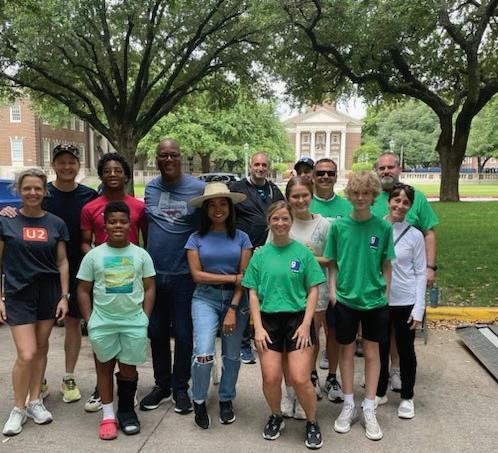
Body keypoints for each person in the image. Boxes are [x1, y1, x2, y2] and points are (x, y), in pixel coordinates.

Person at [0, 144, 98, 404]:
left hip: (75, 268)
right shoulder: (43, 193)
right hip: (38, 270)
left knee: (72, 323)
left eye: (72, 162)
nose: (67, 167)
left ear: (78, 165)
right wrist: (6, 211)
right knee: (33, 339)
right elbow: (21, 215)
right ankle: (38, 383)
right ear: (53, 165)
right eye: (61, 162)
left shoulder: (89, 196)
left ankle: (68, 376)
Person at [242, 201, 326, 450]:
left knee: (300, 378)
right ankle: (276, 415)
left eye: (285, 219)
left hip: (297, 319)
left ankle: (312, 421)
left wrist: (306, 324)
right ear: (269, 222)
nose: (280, 223)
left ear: (291, 221)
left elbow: (313, 290)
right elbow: (252, 292)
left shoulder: (303, 253)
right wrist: (258, 327)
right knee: (271, 377)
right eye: (275, 219)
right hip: (268, 321)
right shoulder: (260, 255)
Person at [323, 171, 394, 441]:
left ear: (374, 196)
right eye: (356, 193)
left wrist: (386, 294)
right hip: (345, 298)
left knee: (373, 352)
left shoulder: (383, 228)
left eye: (366, 193)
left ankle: (369, 405)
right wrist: (333, 292)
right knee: (347, 351)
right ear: (349, 195)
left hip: (374, 300)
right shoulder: (338, 227)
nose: (361, 197)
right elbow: (332, 263)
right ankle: (349, 403)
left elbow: (386, 264)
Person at [77, 201, 155, 440]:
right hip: (103, 322)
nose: (118, 226)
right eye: (112, 222)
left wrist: (144, 317)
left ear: (130, 224)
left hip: (133, 321)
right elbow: (83, 289)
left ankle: (127, 411)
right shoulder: (94, 255)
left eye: (122, 221)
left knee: (129, 368)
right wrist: (90, 320)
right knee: (104, 366)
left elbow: (150, 288)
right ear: (105, 225)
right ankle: (108, 416)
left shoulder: (141, 255)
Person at [0, 168, 69, 436]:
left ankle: (34, 401)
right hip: (18, 293)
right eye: (27, 188)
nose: (32, 193)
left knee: (40, 349)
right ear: (18, 190)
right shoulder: (6, 221)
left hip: (48, 293)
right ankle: (18, 409)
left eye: (37, 188)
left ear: (44, 191)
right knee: (26, 353)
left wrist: (64, 296)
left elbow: (62, 262)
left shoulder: (56, 223)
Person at [140, 138, 205, 414]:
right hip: (153, 274)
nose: (168, 159)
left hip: (183, 274)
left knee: (183, 333)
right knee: (155, 332)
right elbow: (146, 224)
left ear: (181, 157)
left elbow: (207, 226)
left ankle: (180, 387)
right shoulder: (151, 188)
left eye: (173, 155)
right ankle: (162, 385)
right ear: (156, 159)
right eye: (163, 155)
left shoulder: (197, 188)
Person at [80, 152, 147, 412]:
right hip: (103, 277)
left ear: (126, 175)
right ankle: (102, 391)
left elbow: (145, 239)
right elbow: (85, 242)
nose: (112, 174)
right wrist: (99, 262)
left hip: (130, 277)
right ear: (100, 175)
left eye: (118, 170)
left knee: (129, 349)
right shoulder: (90, 208)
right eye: (107, 170)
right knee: (104, 344)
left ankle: (129, 394)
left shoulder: (138, 207)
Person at [185, 182, 251, 429]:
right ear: (205, 210)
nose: (218, 209)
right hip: (205, 298)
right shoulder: (195, 239)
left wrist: (232, 309)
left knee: (232, 355)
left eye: (223, 203)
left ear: (230, 207)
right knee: (203, 353)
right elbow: (197, 275)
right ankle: (199, 399)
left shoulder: (242, 238)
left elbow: (245, 279)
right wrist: (232, 278)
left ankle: (226, 398)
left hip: (236, 300)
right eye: (212, 205)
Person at [371, 152, 437, 390]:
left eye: (391, 167)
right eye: (382, 168)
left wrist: (430, 267)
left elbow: (429, 233)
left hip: (405, 290)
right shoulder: (373, 201)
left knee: (403, 342)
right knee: (379, 342)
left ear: (399, 168)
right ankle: (378, 384)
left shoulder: (417, 202)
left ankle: (399, 375)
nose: (386, 171)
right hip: (378, 293)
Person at [270, 177, 331, 419]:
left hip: (315, 292)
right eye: (295, 196)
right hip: (285, 295)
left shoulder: (324, 225)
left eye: (305, 195)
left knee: (308, 341)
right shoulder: (282, 221)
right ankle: (289, 391)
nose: (300, 200)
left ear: (312, 195)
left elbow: (331, 259)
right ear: (288, 198)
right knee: (288, 346)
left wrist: (308, 258)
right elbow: (269, 253)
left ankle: (305, 381)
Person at [375, 184, 426, 419]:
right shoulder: (376, 229)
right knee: (379, 348)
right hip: (379, 300)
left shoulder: (415, 235)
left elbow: (420, 272)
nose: (400, 206)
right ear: (389, 202)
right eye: (397, 200)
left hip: (405, 300)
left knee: (406, 350)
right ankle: (379, 391)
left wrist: (419, 308)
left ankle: (407, 396)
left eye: (406, 202)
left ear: (410, 206)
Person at [230, 152, 285, 364]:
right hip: (245, 251)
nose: (260, 168)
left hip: (270, 251)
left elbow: (282, 214)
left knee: (264, 297)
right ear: (250, 166)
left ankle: (263, 339)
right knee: (245, 297)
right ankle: (244, 345)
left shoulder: (274, 190)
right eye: (256, 164)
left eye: (264, 165)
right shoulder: (237, 188)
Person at [309, 158, 351, 402]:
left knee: (334, 332)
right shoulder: (305, 203)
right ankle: (312, 374)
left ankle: (332, 377)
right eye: (320, 173)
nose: (325, 177)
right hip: (311, 281)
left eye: (330, 173)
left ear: (336, 176)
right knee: (312, 331)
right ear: (313, 176)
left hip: (339, 279)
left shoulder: (346, 207)